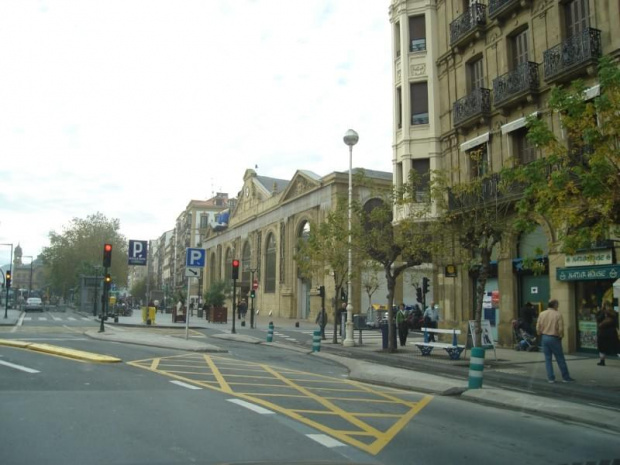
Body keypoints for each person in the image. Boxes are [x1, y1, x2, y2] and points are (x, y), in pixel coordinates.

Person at [536, 299, 575, 383]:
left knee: (547, 359)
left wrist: (539, 333)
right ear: (555, 305)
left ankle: (551, 378)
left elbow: (538, 326)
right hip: (554, 337)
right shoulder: (558, 314)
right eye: (558, 304)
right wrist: (561, 336)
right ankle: (565, 377)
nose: (558, 306)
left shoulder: (542, 314)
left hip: (544, 337)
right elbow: (560, 328)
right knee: (560, 358)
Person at [596, 301, 619, 366]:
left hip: (603, 333)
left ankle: (602, 361)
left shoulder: (602, 312)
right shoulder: (614, 313)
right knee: (616, 347)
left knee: (602, 347)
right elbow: (616, 322)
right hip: (612, 332)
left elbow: (598, 319)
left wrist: (600, 311)